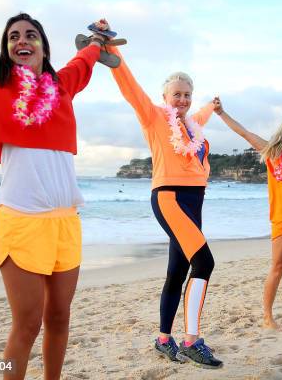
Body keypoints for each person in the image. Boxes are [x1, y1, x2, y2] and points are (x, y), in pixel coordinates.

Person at [0, 0, 106, 378]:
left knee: (61, 317)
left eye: (31, 35)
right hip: (21, 220)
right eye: (13, 36)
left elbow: (82, 62)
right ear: (7, 48)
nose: (21, 40)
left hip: (66, 221)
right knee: (28, 324)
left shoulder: (61, 87)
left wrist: (97, 42)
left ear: (44, 49)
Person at [103, 39, 222, 367]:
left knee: (178, 271)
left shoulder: (193, 126)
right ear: (165, 99)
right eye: (177, 95)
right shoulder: (154, 117)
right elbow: (131, 89)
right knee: (205, 263)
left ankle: (164, 338)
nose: (182, 100)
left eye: (187, 94)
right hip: (169, 198)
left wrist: (213, 105)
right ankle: (192, 341)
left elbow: (202, 112)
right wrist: (113, 52)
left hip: (193, 203)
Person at [215, 70, 282, 329]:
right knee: (278, 267)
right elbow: (245, 133)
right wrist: (221, 113)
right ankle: (267, 316)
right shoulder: (273, 153)